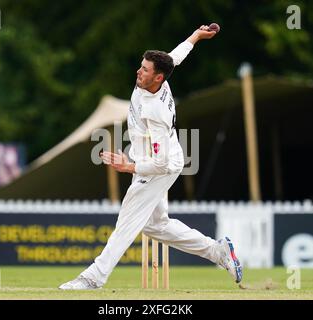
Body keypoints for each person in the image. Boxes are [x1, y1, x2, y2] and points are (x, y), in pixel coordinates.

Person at [59, 25, 242, 290]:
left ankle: (93, 278)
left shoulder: (157, 112)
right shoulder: (161, 73)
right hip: (156, 159)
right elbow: (177, 56)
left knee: (128, 221)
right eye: (141, 66)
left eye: (144, 70)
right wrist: (196, 36)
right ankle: (217, 251)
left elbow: (161, 163)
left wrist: (128, 166)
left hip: (158, 167)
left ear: (157, 78)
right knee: (157, 225)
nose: (139, 71)